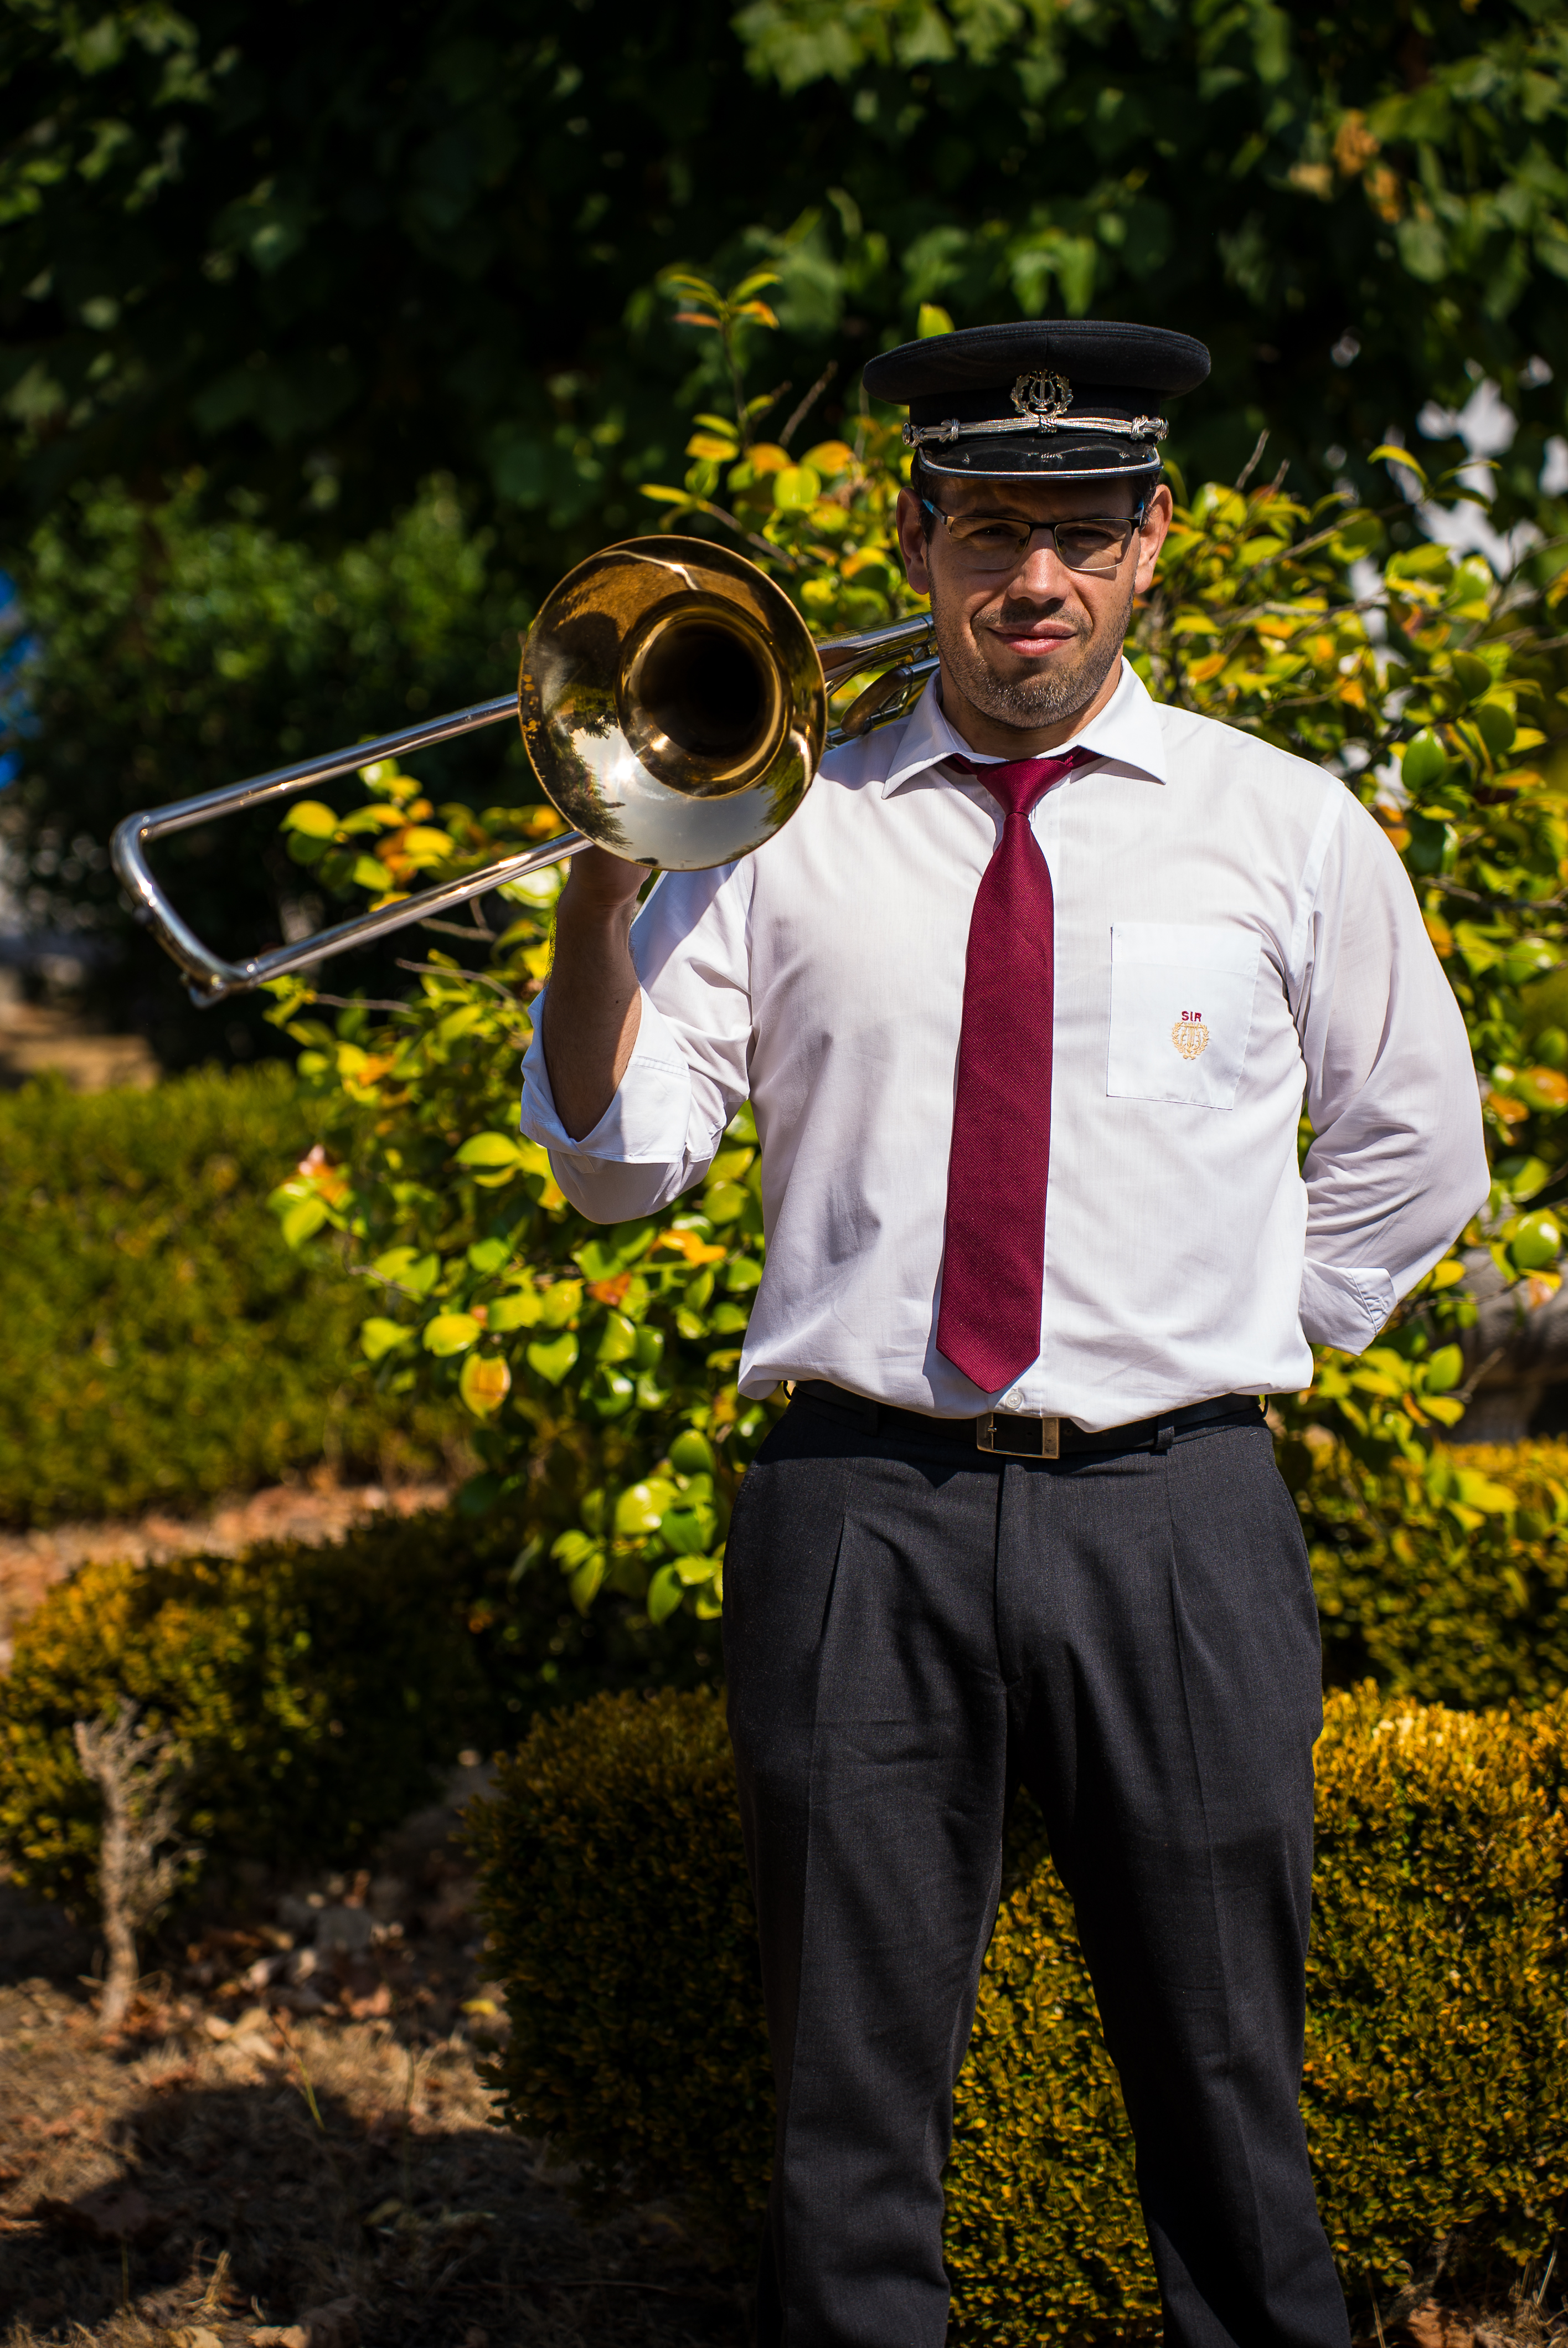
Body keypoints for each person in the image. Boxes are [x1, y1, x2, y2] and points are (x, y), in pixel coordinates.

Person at [519, 319, 1488, 2348]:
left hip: (1180, 1519)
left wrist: (1220, 1348)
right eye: (985, 528)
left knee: (1232, 2093)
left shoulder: (1284, 824)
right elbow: (622, 1167)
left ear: (1153, 543)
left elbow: (1419, 1152)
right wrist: (600, 901)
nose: (1028, 578)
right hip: (858, 1513)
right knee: (844, 2110)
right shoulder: (781, 829)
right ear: (915, 538)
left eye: (1077, 530)